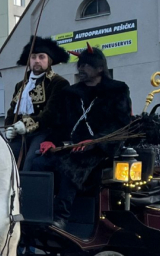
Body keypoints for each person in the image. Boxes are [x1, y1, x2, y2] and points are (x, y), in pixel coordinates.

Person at [30, 44, 132, 228]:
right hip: (73, 147)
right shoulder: (71, 94)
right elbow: (61, 124)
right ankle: (37, 213)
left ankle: (61, 217)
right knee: (39, 163)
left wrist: (94, 142)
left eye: (86, 65)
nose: (81, 68)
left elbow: (120, 125)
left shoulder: (117, 91)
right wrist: (50, 141)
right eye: (80, 65)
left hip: (101, 149)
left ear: (99, 68)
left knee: (72, 165)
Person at [4, 35, 70, 170]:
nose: (37, 61)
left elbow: (51, 115)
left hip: (44, 132)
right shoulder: (21, 85)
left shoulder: (59, 83)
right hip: (20, 133)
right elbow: (12, 112)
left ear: (49, 61)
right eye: (33, 57)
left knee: (31, 162)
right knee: (6, 158)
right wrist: (9, 128)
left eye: (41, 57)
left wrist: (26, 124)